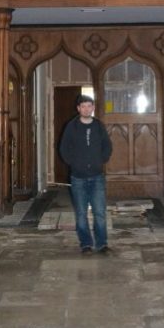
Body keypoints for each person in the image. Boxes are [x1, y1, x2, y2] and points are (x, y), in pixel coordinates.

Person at [59, 93, 113, 254]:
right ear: (78, 108)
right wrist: (74, 163)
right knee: (81, 213)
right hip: (78, 178)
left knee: (99, 212)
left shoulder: (98, 125)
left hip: (97, 177)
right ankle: (86, 244)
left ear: (93, 108)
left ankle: (102, 243)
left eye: (89, 106)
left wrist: (100, 160)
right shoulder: (71, 126)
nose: (86, 109)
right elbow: (63, 148)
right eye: (83, 106)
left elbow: (107, 146)